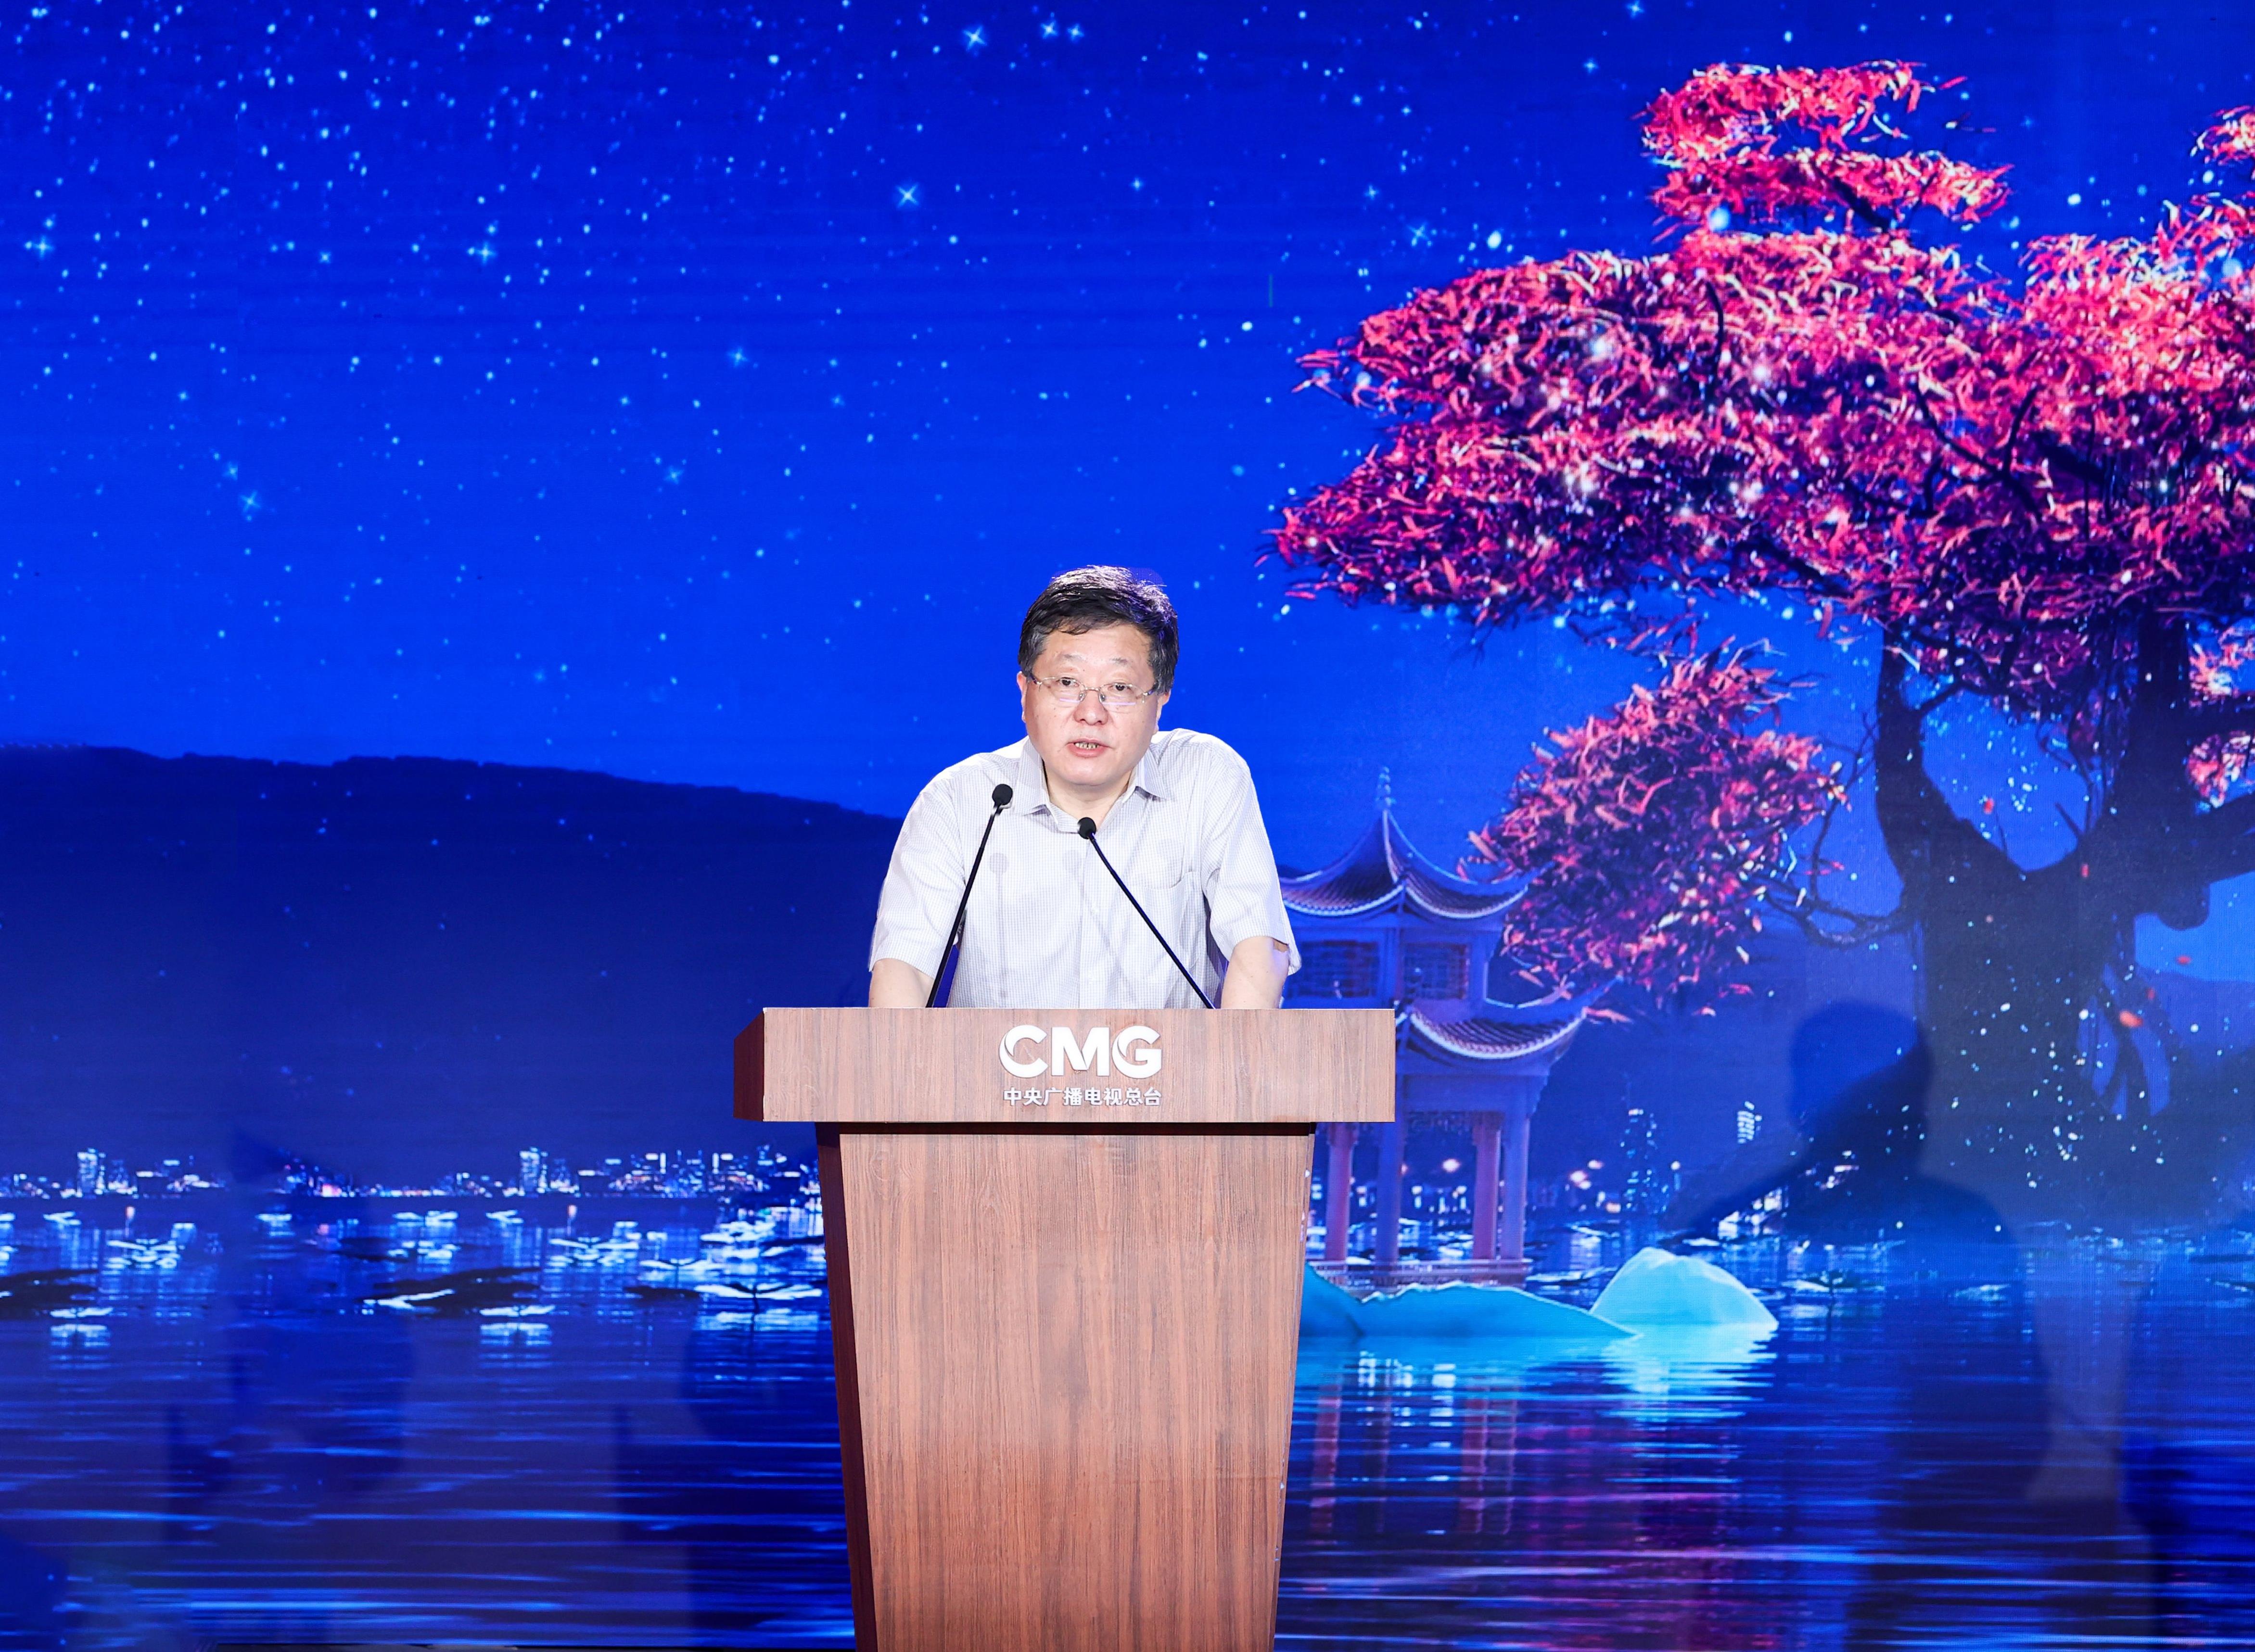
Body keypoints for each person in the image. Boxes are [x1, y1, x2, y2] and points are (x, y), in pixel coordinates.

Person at [868, 566, 1299, 1009]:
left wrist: (1234, 1050)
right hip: (997, 1059)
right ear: (1025, 692)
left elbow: (1259, 943)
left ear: (1159, 700)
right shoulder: (961, 800)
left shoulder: (1204, 776)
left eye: (1119, 687)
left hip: (1171, 1058)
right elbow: (905, 968)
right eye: (1067, 683)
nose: (1091, 713)